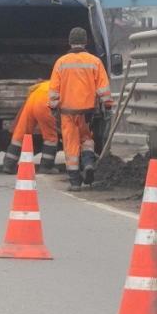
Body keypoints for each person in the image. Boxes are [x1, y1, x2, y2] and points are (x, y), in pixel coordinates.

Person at [48, 27, 113, 191]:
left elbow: (54, 89)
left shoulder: (61, 62)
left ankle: (75, 182)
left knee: (70, 145)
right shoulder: (94, 61)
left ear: (70, 42)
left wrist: (54, 106)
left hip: (67, 112)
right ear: (85, 42)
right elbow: (103, 88)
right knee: (87, 139)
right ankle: (89, 163)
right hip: (87, 111)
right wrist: (107, 104)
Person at [2, 80, 59, 175]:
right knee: (51, 137)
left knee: (20, 135)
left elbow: (31, 89)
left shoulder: (48, 83)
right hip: (46, 102)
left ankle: (9, 165)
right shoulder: (67, 86)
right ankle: (46, 167)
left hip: (32, 99)